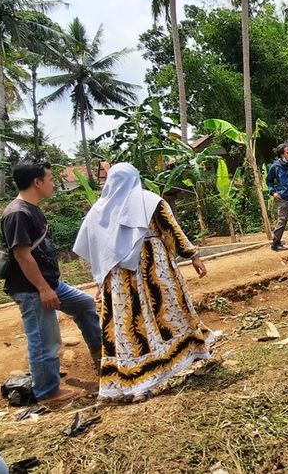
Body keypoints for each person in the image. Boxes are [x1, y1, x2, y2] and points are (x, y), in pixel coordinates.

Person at [73, 163, 212, 402]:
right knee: (167, 313)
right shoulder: (149, 201)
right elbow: (171, 230)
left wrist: (99, 283)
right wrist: (193, 255)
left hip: (117, 279)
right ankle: (179, 358)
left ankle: (135, 379)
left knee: (130, 325)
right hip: (152, 270)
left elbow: (95, 249)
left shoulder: (99, 210)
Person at [0, 160, 102, 404]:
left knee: (85, 304)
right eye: (50, 178)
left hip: (50, 284)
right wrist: (44, 289)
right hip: (33, 289)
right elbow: (22, 255)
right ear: (37, 182)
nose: (53, 183)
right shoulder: (17, 213)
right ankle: (47, 392)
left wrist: (50, 285)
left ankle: (100, 354)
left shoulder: (31, 208)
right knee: (45, 338)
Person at [266, 143, 288, 251]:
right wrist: (273, 192)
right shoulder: (275, 167)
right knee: (282, 220)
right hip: (283, 197)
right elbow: (269, 181)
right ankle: (276, 244)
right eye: (287, 152)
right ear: (281, 154)